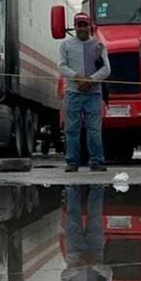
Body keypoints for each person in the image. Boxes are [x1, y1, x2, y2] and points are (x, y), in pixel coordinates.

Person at [56, 12, 110, 172]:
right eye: (79, 25)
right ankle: (72, 162)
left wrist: (91, 80)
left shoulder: (99, 46)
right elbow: (61, 65)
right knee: (72, 128)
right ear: (75, 26)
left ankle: (97, 161)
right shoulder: (65, 45)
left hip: (94, 94)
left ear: (90, 26)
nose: (82, 28)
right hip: (73, 93)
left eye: (84, 25)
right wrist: (77, 77)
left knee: (94, 129)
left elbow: (106, 69)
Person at [60, 184, 112, 281]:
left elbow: (64, 277)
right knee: (95, 216)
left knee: (73, 217)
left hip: (75, 253)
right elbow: (108, 274)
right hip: (95, 251)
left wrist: (79, 267)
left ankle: (72, 188)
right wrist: (94, 265)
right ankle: (97, 187)